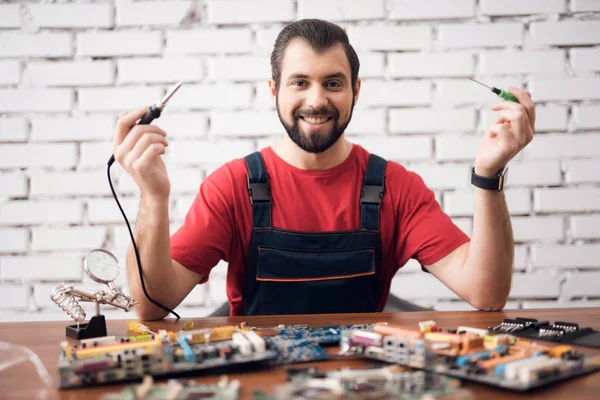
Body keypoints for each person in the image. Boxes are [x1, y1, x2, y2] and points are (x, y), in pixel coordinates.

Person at [112, 19, 535, 320]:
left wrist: (489, 176)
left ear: (356, 90)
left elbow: (486, 293)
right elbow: (151, 305)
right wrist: (153, 196)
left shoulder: (395, 187)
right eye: (300, 82)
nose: (317, 100)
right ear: (274, 90)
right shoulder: (232, 186)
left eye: (333, 83)